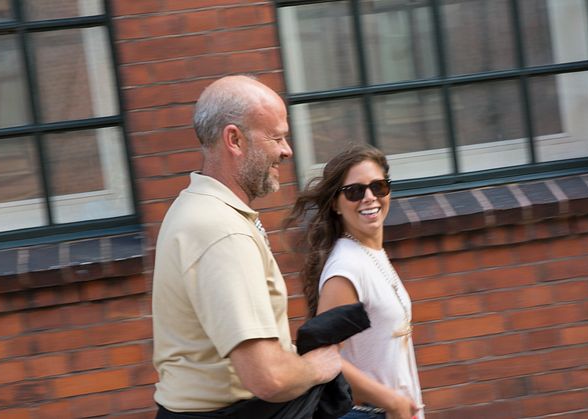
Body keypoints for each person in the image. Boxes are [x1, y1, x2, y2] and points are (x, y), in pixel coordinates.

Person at [151, 75, 342, 417]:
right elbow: (268, 378)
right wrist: (317, 365)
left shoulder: (196, 208)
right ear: (234, 140)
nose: (287, 151)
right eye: (276, 137)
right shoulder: (222, 232)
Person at [286, 145, 425, 419]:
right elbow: (322, 355)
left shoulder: (370, 253)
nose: (369, 197)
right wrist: (392, 402)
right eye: (354, 191)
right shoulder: (346, 267)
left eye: (378, 187)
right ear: (336, 204)